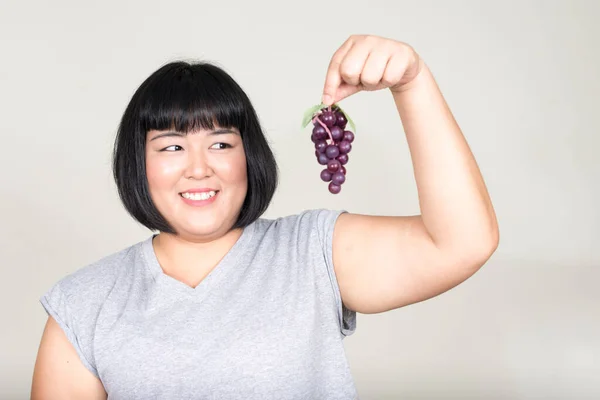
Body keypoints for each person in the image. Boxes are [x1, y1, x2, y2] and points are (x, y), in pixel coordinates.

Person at [31, 34, 499, 399]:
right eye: (172, 146)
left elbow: (462, 243)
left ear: (248, 156)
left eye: (220, 144)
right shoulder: (83, 304)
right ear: (138, 163)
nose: (199, 168)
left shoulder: (311, 253)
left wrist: (412, 83)